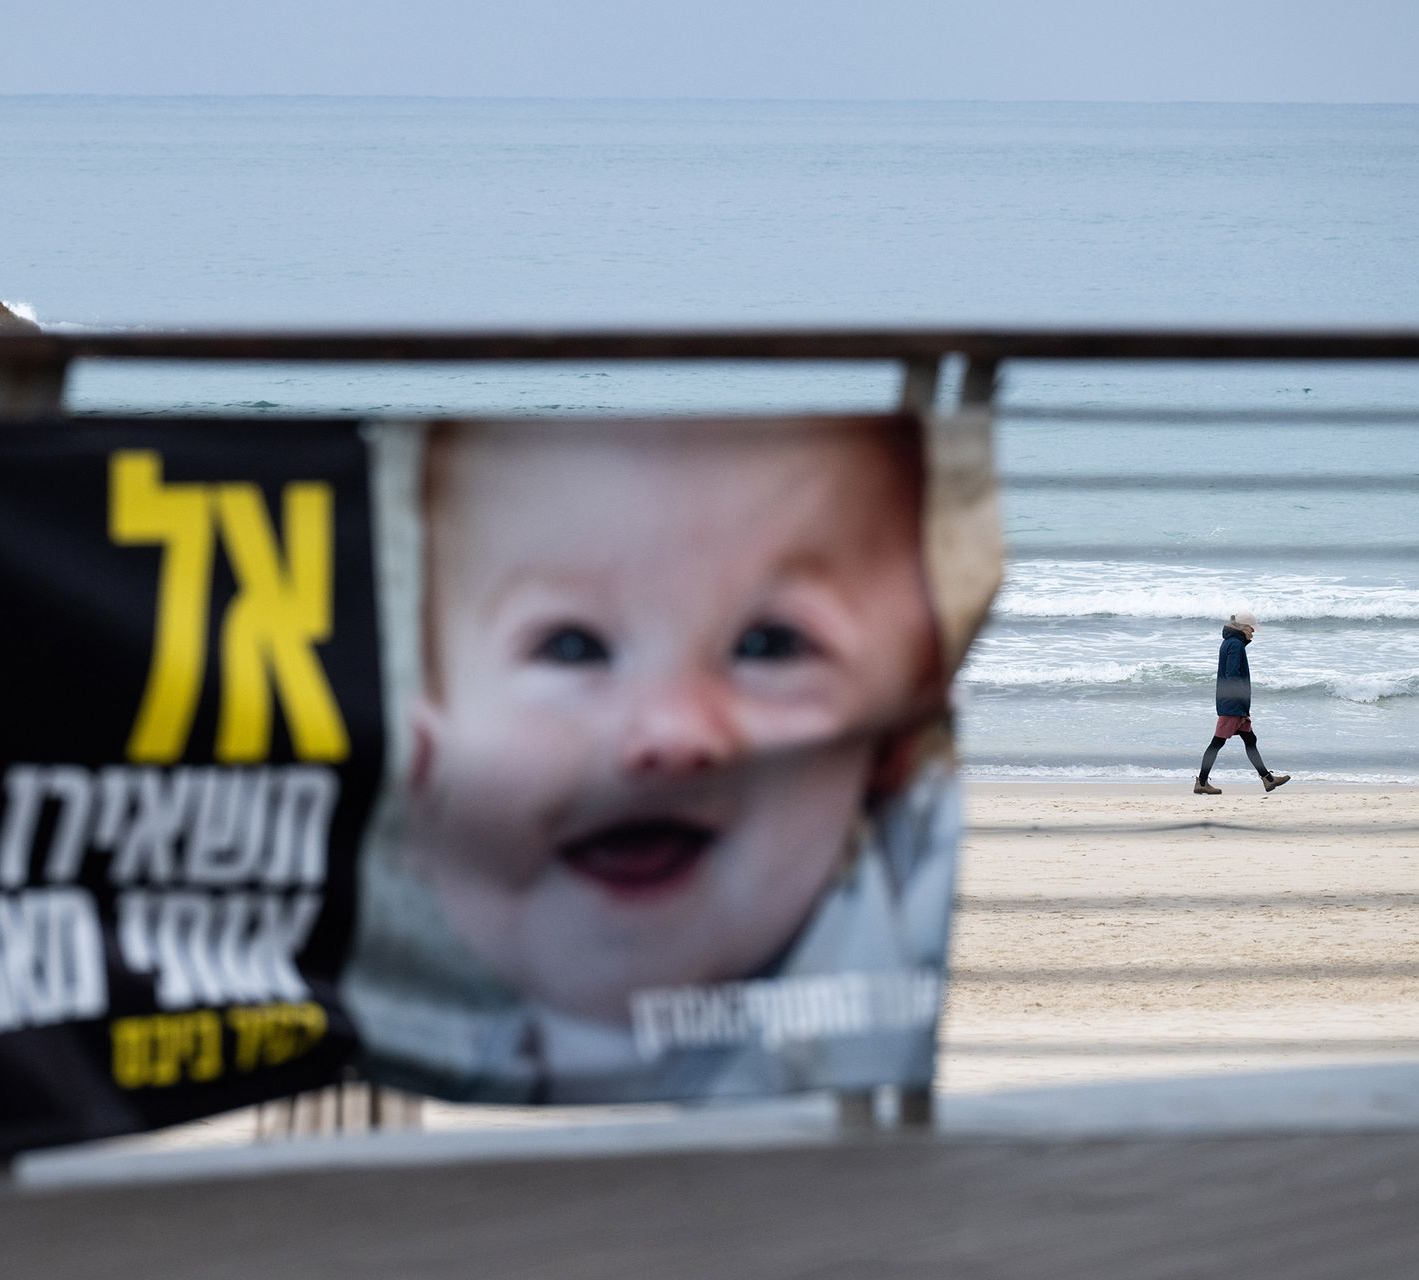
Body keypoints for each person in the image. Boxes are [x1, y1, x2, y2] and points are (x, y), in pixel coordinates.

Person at [346, 415, 959, 1101]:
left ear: (891, 745)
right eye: (574, 647)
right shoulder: (401, 1024)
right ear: (422, 768)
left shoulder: (900, 935)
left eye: (769, 645)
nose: (669, 733)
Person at [1194, 610, 1291, 795]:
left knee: (1250, 740)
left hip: (1233, 703)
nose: (1253, 633)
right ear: (1244, 628)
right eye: (1252, 629)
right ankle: (1202, 782)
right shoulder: (1236, 645)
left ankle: (1267, 779)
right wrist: (1240, 707)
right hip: (1232, 704)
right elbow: (1232, 676)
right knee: (1217, 743)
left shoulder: (1230, 643)